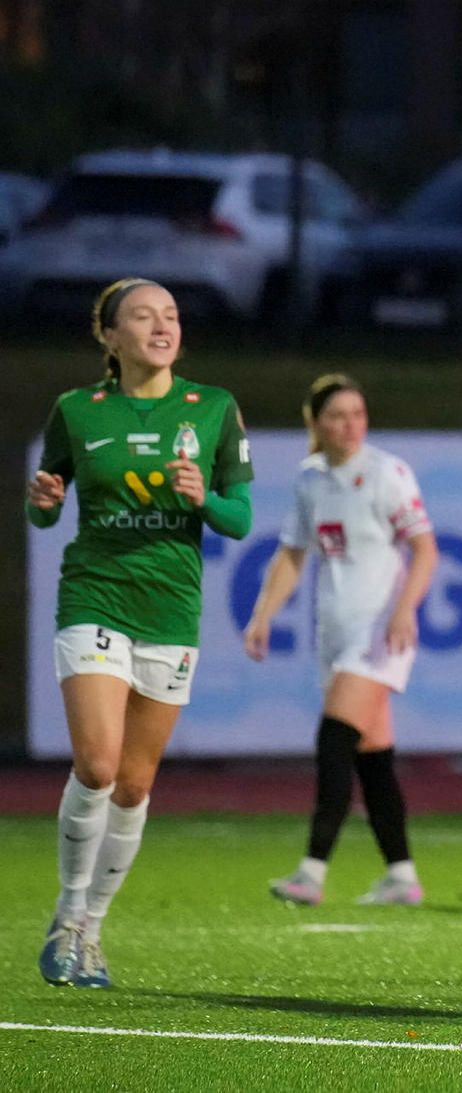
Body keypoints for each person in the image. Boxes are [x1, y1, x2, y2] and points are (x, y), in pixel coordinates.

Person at [28, 278, 254, 988]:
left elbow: (241, 518)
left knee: (133, 782)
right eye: (143, 316)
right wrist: (42, 502)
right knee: (96, 764)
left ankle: (92, 929)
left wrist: (205, 498)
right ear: (111, 336)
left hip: (170, 608)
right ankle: (66, 916)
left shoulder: (213, 407)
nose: (162, 325)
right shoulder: (75, 410)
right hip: (94, 594)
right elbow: (46, 505)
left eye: (172, 315)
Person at [245, 375, 438, 907]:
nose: (350, 424)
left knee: (333, 740)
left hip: (378, 631)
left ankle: (311, 873)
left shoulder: (386, 473)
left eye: (357, 413)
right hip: (336, 633)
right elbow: (291, 554)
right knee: (372, 758)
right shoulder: (311, 480)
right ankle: (401, 876)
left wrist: (404, 611)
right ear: (315, 423)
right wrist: (263, 614)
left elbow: (425, 549)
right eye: (337, 415)